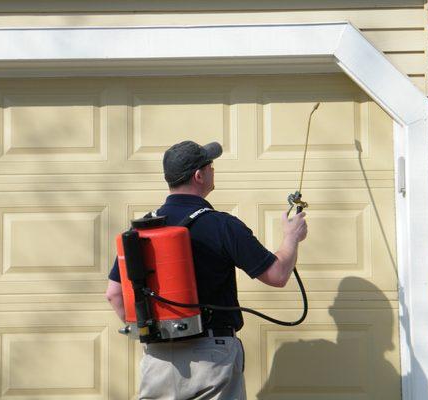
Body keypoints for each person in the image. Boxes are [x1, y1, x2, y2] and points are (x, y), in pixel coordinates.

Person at [106, 140, 308, 400]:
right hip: (212, 358)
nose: (214, 171)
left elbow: (114, 293)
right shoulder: (222, 225)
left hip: (158, 361)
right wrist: (291, 237)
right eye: (211, 166)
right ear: (199, 175)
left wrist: (152, 333)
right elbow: (278, 275)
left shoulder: (140, 230)